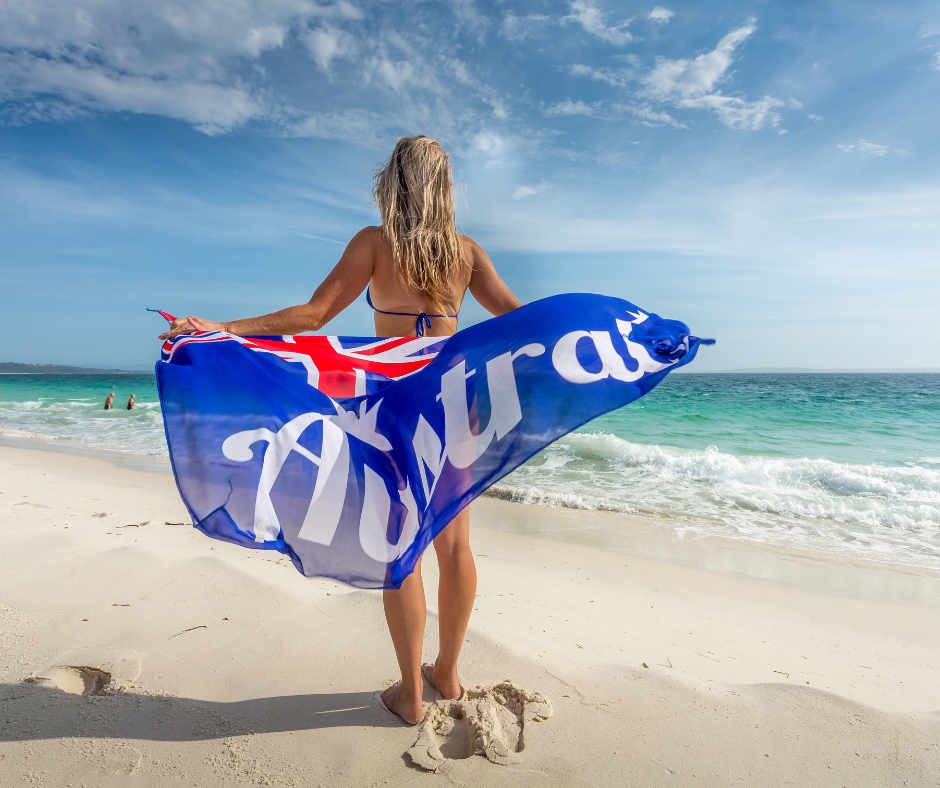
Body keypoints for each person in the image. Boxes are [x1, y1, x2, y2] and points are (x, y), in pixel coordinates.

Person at [158, 135, 522, 725]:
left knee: (399, 544)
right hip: (457, 398)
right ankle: (448, 675)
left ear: (394, 183)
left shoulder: (375, 245)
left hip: (399, 400)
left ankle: (411, 695)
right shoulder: (466, 252)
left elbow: (314, 316)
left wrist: (224, 327)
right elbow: (519, 319)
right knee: (455, 546)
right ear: (444, 187)